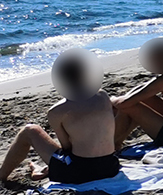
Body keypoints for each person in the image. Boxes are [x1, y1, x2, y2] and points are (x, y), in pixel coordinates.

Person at [0, 52, 121, 185]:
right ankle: (44, 170)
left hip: (80, 173)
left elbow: (66, 147)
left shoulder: (57, 111)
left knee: (29, 131)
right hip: (110, 166)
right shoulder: (103, 96)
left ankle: (1, 175)